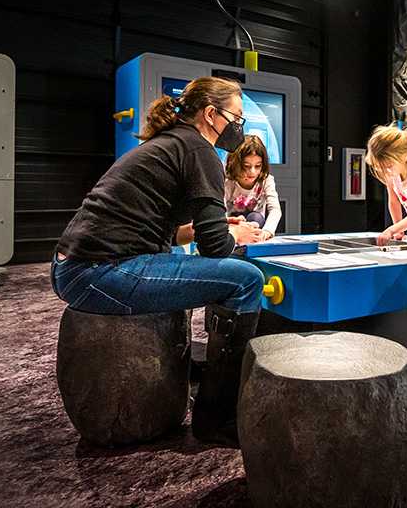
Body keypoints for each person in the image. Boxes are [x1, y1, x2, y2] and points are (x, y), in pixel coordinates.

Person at [51, 76, 265, 447]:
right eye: (237, 117)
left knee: (218, 270)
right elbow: (218, 247)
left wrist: (198, 232)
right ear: (212, 115)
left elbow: (157, 228)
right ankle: (218, 416)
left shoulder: (170, 144)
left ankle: (204, 382)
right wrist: (235, 236)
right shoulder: (199, 151)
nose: (240, 127)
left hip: (74, 266)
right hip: (98, 272)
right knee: (245, 279)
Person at [223, 135, 281, 240]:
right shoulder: (228, 182)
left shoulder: (266, 180)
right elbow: (221, 211)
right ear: (236, 164)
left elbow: (275, 210)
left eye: (258, 166)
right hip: (233, 226)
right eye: (246, 166)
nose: (252, 172)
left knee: (255, 217)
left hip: (256, 224)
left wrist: (267, 231)